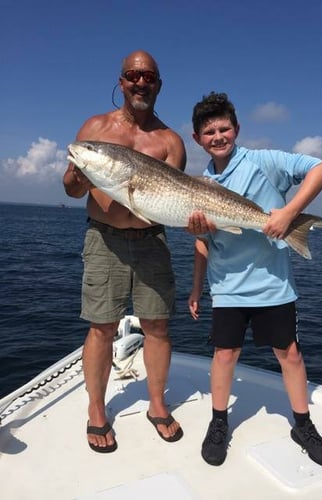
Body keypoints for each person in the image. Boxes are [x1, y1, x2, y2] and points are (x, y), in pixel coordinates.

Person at [187, 92, 322, 468]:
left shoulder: (264, 161)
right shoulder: (199, 185)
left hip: (273, 282)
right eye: (209, 132)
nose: (218, 136)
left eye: (223, 128)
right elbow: (204, 244)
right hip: (227, 286)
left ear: (236, 129)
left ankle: (302, 424)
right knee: (224, 355)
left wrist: (288, 214)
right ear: (197, 139)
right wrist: (196, 288)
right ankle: (218, 422)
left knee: (289, 353)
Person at [63, 50, 187, 452]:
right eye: (133, 75)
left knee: (157, 326)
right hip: (105, 239)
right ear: (121, 82)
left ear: (158, 84)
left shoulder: (170, 141)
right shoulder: (96, 128)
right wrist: (76, 178)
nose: (140, 83)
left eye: (148, 76)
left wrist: (199, 221)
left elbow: (176, 201)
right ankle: (97, 411)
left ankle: (156, 404)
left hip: (152, 241)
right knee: (101, 326)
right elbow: (71, 187)